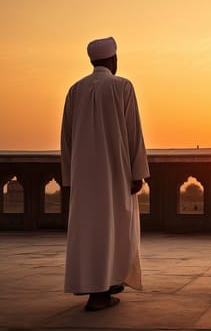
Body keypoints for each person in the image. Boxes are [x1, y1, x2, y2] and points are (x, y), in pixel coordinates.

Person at [60, 37, 149, 311]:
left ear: (92, 61)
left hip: (84, 178)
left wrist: (69, 178)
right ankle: (101, 293)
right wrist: (137, 173)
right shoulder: (122, 86)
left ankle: (103, 287)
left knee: (91, 231)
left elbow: (67, 139)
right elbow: (133, 132)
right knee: (116, 229)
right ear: (112, 60)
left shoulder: (75, 90)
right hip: (116, 173)